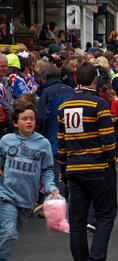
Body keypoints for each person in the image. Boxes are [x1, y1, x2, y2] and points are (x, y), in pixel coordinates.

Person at [58, 62, 118, 261]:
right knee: (106, 214)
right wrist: (110, 161)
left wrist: (63, 169)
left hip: (74, 167)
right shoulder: (99, 103)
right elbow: (107, 139)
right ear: (94, 80)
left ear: (76, 80)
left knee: (77, 220)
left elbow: (61, 143)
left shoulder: (64, 107)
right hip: (97, 167)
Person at [0, 100, 59, 261]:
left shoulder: (43, 144)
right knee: (8, 233)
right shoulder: (6, 141)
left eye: (32, 119)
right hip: (6, 195)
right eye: (24, 119)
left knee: (10, 236)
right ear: (16, 122)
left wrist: (51, 187)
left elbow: (47, 170)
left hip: (28, 201)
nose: (29, 122)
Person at [35, 62, 74, 198]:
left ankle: (62, 211)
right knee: (71, 178)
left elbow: (41, 118)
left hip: (53, 141)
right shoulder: (70, 89)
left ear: (44, 78)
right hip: (72, 140)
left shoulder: (46, 92)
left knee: (58, 179)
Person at [105, 88, 118, 163]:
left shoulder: (114, 103)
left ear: (111, 96)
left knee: (115, 139)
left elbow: (113, 113)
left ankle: (116, 156)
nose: (109, 100)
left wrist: (107, 114)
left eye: (108, 98)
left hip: (115, 123)